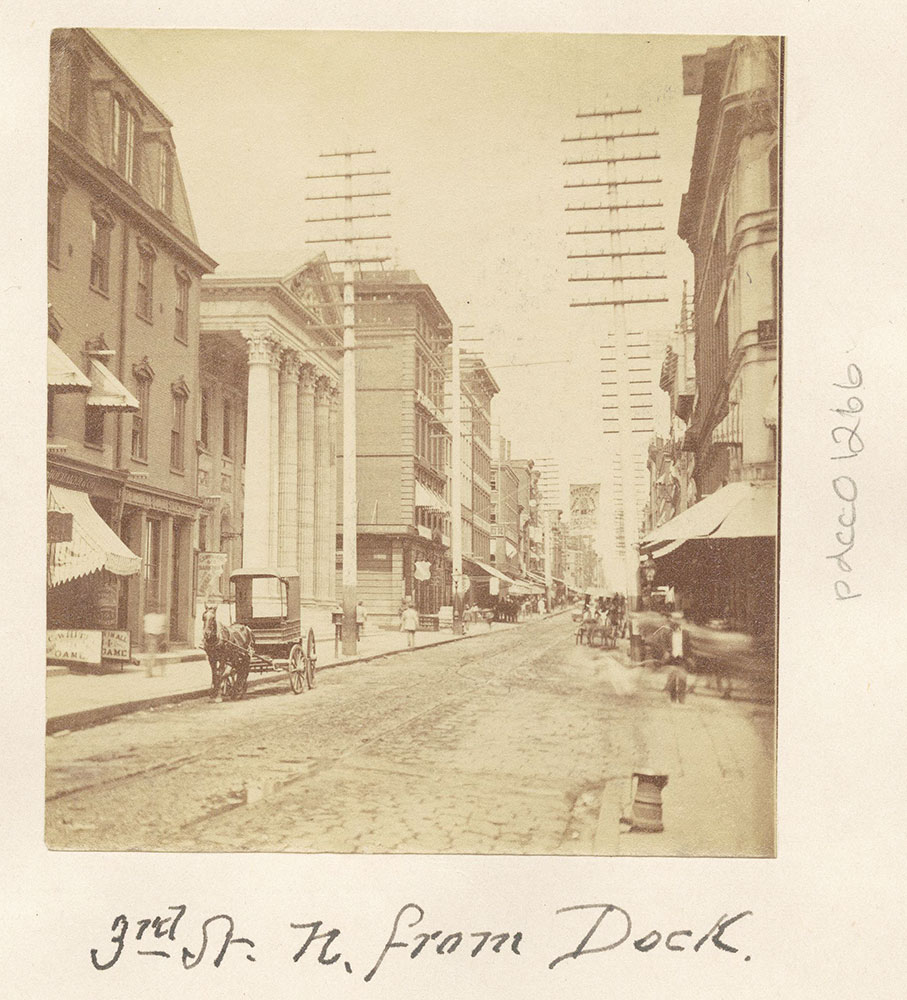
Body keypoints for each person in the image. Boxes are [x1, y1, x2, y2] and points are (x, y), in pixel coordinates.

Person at [665, 617, 688, 704]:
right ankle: (673, 698)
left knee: (682, 679)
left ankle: (681, 698)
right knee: (672, 679)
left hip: (682, 658)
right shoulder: (668, 633)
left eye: (678, 621)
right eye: (674, 621)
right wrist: (667, 651)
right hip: (672, 658)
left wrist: (688, 657)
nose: (675, 623)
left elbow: (688, 646)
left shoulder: (685, 633)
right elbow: (665, 644)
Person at [143, 603, 167, 678]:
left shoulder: (147, 617)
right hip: (155, 636)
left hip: (153, 636)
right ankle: (156, 672)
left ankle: (150, 672)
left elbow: (144, 628)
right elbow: (164, 628)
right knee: (157, 655)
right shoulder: (161, 617)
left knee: (152, 655)